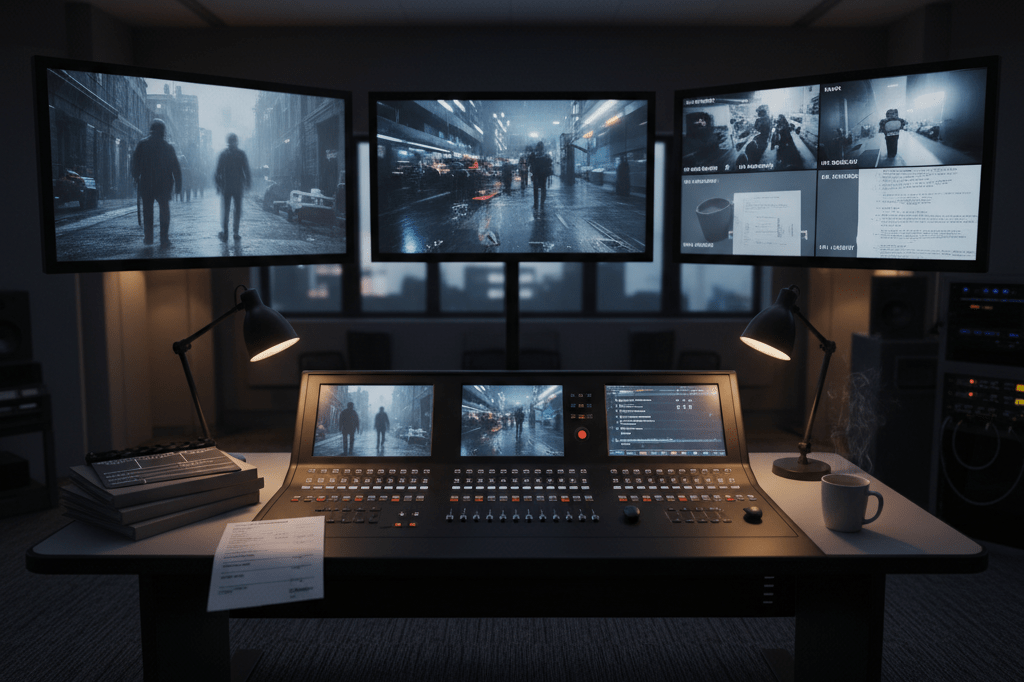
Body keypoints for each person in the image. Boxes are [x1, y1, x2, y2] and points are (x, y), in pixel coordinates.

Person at [131, 119, 181, 246]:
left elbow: (135, 163)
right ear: (163, 131)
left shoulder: (142, 144)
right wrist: (178, 185)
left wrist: (136, 176)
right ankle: (164, 238)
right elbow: (176, 167)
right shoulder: (168, 147)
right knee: (164, 211)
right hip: (163, 184)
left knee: (147, 211)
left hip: (147, 183)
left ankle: (148, 238)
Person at [214, 133, 252, 241]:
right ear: (236, 142)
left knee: (226, 210)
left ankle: (226, 232)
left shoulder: (224, 154)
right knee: (237, 210)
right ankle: (235, 232)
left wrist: (218, 185)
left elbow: (218, 172)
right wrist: (248, 183)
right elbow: (246, 170)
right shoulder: (241, 154)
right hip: (237, 186)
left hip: (227, 186)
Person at [529, 142, 553, 209]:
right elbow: (550, 163)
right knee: (543, 188)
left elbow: (530, 162)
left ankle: (536, 203)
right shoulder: (545, 155)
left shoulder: (534, 155)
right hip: (543, 175)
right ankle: (542, 203)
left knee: (535, 189)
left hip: (536, 174)